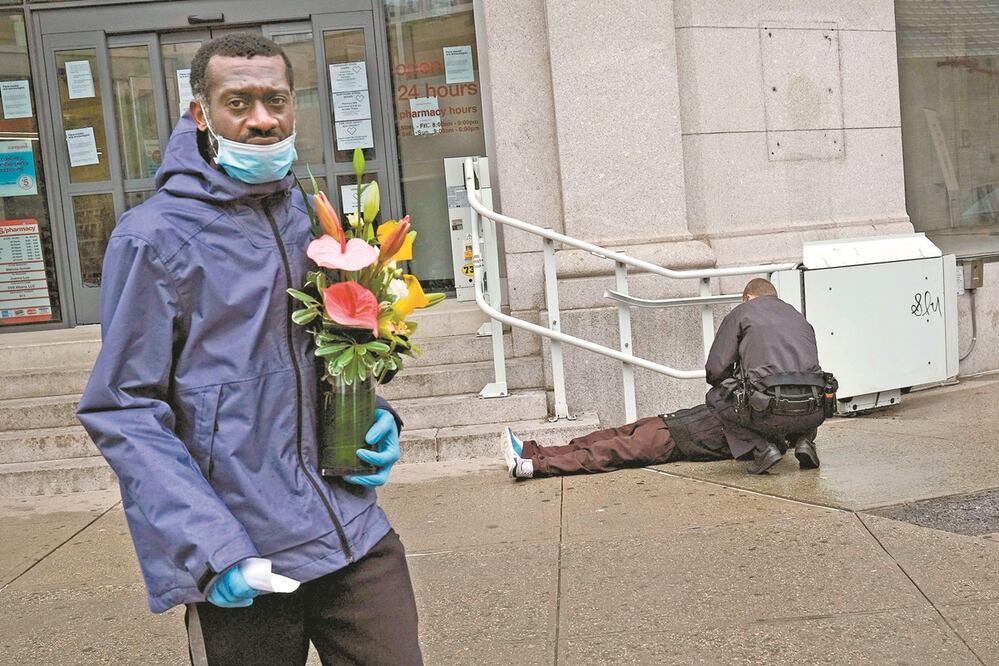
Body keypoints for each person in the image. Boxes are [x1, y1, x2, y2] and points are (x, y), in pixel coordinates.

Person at [76, 33, 422, 665]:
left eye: (276, 100)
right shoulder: (153, 240)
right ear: (200, 114)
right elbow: (124, 409)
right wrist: (211, 548)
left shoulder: (316, 221)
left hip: (353, 535)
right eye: (239, 102)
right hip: (245, 555)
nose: (262, 119)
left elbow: (326, 355)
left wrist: (378, 420)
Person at [503, 278, 833, 479]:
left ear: (748, 298)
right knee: (628, 435)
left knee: (628, 443)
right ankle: (534, 452)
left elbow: (714, 372)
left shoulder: (744, 313)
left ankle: (534, 464)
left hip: (720, 426)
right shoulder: (800, 318)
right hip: (804, 414)